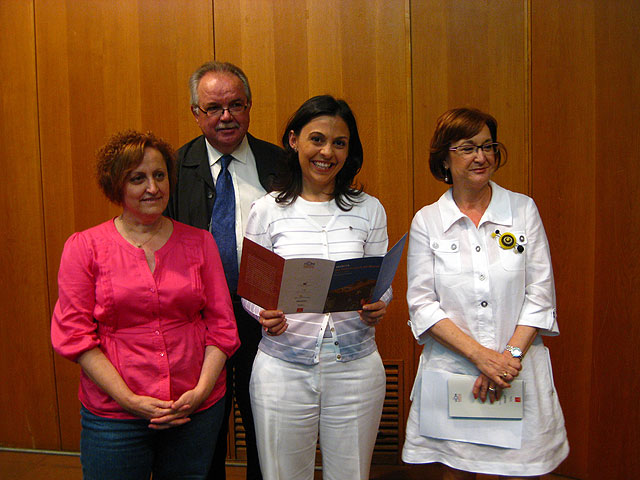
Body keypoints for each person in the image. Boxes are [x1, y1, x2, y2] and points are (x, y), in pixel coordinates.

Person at [51, 130, 240, 480]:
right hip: (114, 416)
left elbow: (223, 328)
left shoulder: (201, 243)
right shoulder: (84, 247)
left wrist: (199, 392)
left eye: (159, 175)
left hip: (195, 410)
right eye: (138, 178)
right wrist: (128, 399)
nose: (153, 187)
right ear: (116, 185)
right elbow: (74, 336)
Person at [402, 108, 569, 479]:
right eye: (467, 148)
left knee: (513, 470)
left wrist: (505, 359)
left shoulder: (522, 210)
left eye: (488, 146)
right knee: (456, 471)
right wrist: (481, 357)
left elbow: (540, 296)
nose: (481, 157)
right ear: (445, 157)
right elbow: (422, 305)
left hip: (516, 369)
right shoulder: (428, 221)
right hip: (455, 371)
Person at [241, 95, 390, 480]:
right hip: (282, 368)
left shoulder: (369, 209)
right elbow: (253, 292)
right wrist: (264, 314)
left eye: (339, 143)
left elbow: (380, 282)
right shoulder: (267, 209)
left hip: (355, 367)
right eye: (317, 139)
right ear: (294, 140)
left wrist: (379, 303)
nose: (327, 152)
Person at [165, 61, 283, 480]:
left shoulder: (281, 164)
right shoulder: (174, 169)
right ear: (196, 113)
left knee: (264, 424)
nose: (227, 116)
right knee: (205, 430)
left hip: (266, 318)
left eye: (236, 105)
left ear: (250, 107)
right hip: (199, 322)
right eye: (214, 108)